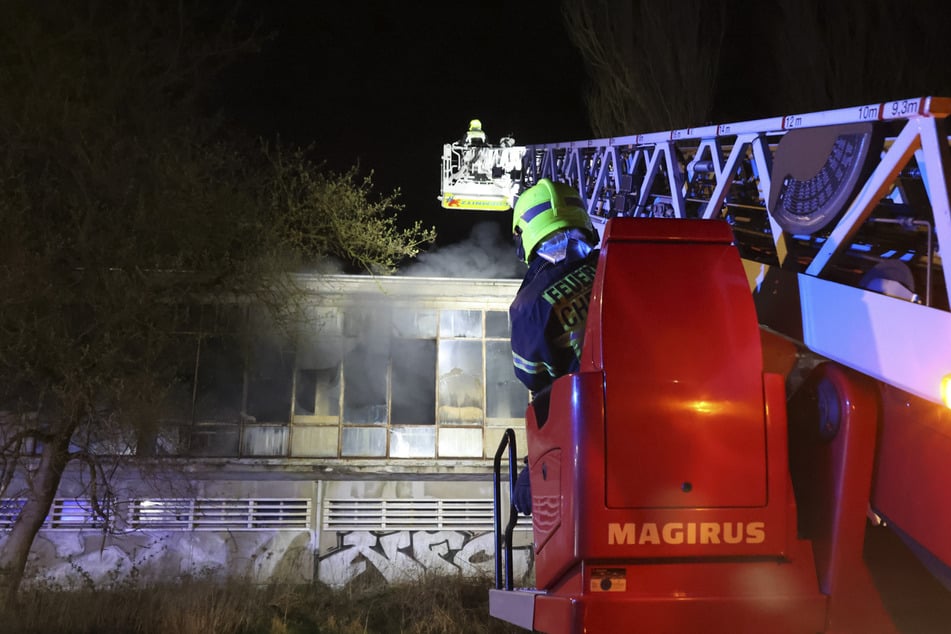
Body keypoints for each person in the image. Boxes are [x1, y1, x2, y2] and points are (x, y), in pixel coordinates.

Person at [508, 178, 600, 514]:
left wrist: (533, 470)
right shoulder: (617, 263)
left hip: (588, 438)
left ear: (525, 237)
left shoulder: (529, 307)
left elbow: (542, 389)